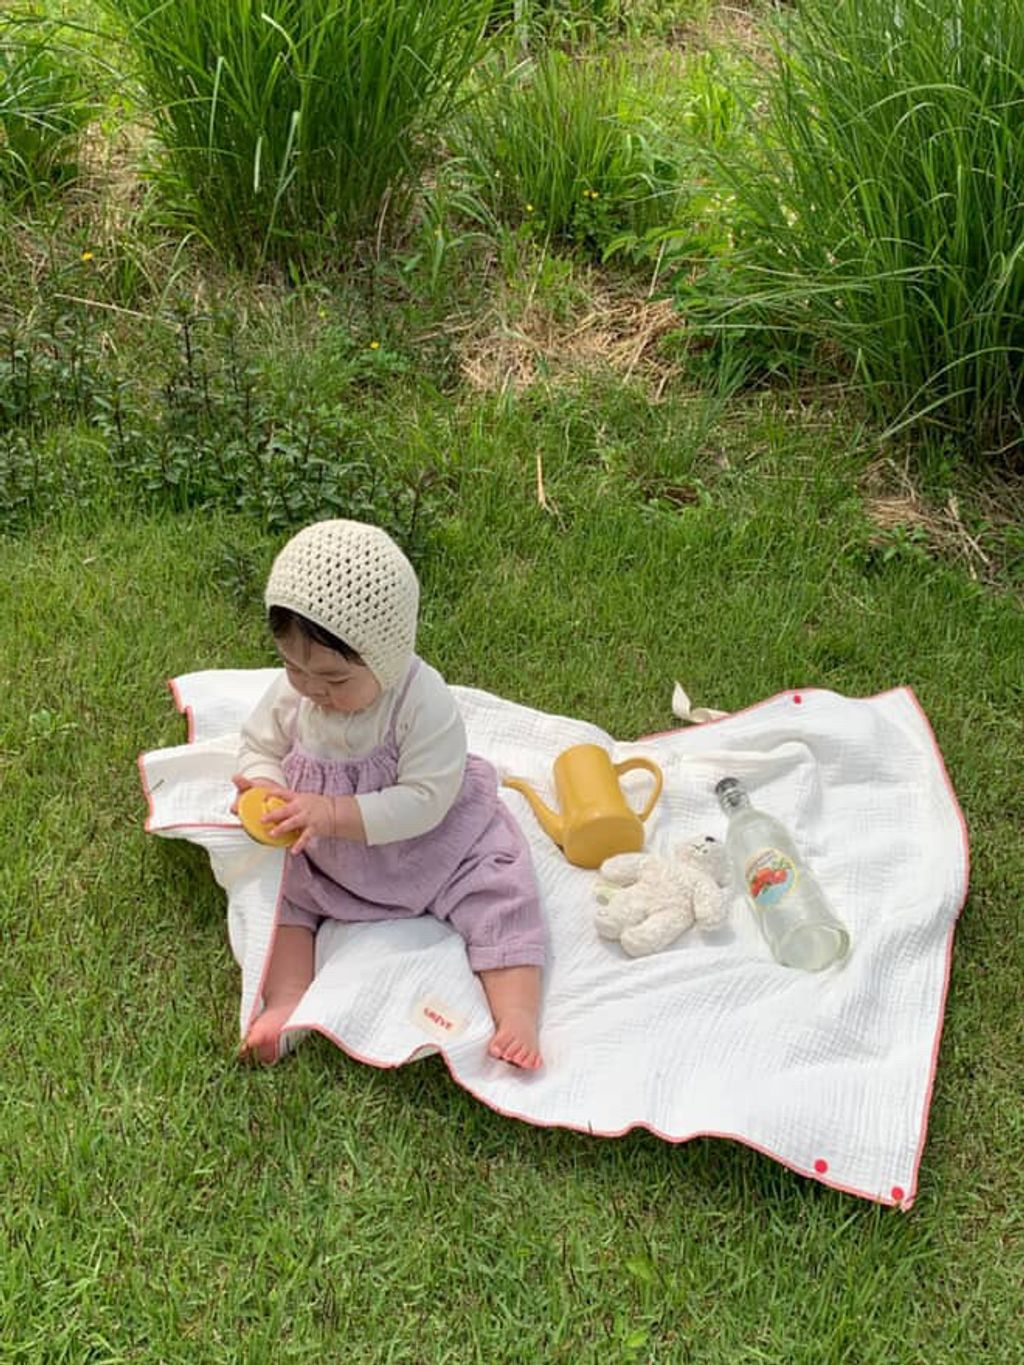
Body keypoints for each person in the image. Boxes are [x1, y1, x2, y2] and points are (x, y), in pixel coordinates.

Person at [232, 519, 546, 1069]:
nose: (312, 689)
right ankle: (287, 1001)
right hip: (326, 852)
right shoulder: (296, 692)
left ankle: (516, 1012)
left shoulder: (421, 703)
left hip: (430, 847)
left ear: (387, 657)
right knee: (282, 895)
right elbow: (258, 745)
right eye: (292, 666)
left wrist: (333, 811)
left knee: (500, 887)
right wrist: (266, 786)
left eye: (334, 680)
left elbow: (427, 798)